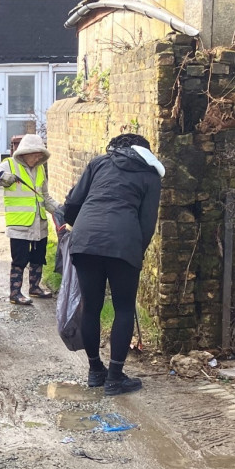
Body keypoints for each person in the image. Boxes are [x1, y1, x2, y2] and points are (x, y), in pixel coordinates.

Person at [64, 133, 164, 396]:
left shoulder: (99, 163)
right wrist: (136, 252)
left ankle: (95, 370)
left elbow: (73, 202)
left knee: (91, 306)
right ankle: (115, 377)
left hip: (85, 241)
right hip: (124, 242)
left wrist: (79, 226)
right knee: (123, 308)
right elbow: (147, 223)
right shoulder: (150, 175)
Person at [0, 134, 60, 305]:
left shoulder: (40, 169)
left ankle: (35, 288)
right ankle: (15, 293)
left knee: (38, 257)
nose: (38, 157)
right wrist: (2, 177)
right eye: (36, 154)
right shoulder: (9, 165)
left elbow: (45, 197)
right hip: (19, 224)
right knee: (20, 259)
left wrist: (60, 210)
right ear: (26, 152)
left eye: (41, 154)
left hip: (39, 223)